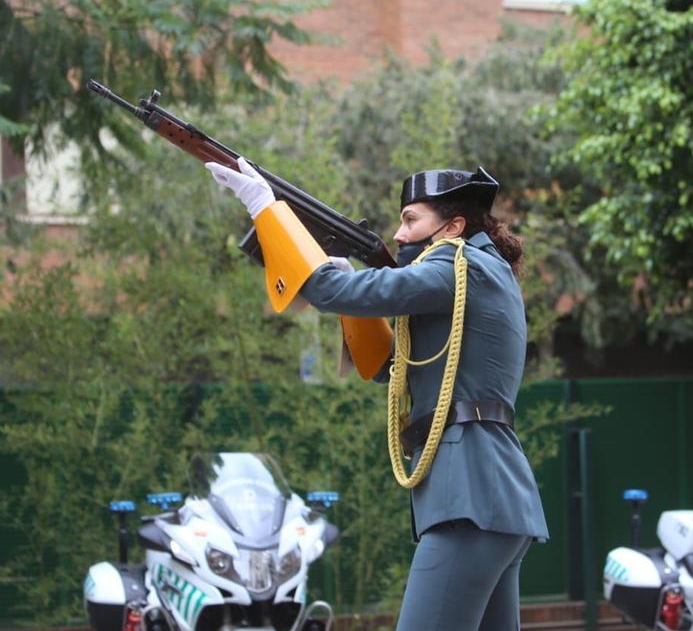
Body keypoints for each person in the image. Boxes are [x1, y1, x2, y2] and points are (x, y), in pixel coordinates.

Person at [206, 157, 548, 631]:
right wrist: (354, 301)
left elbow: (327, 290)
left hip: (468, 497)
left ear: (452, 227)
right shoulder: (481, 273)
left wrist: (266, 209)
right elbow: (392, 369)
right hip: (494, 499)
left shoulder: (457, 264)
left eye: (411, 219)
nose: (401, 234)